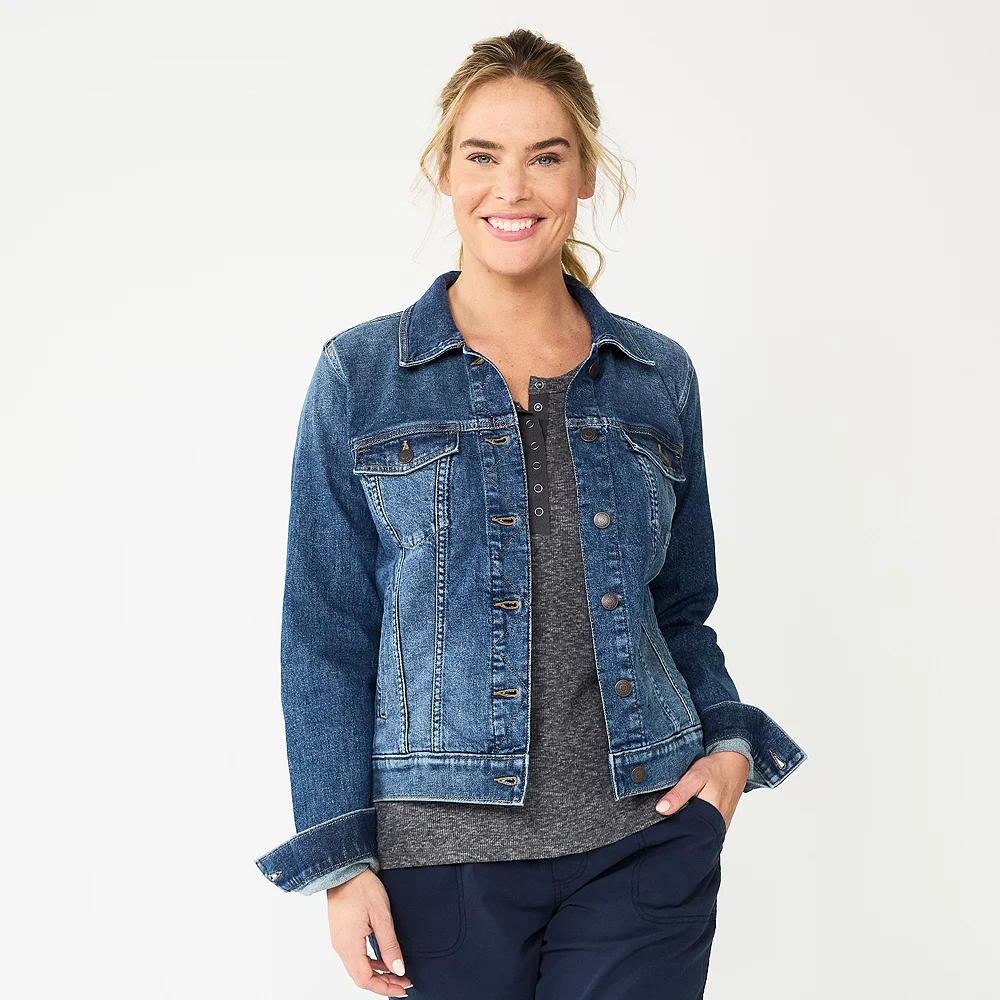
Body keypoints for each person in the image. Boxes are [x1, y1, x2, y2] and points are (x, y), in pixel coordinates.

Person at [254, 26, 807, 999]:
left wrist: (726, 749)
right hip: (443, 860)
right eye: (482, 156)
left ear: (584, 175)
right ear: (443, 171)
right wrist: (341, 860)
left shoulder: (654, 376)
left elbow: (681, 608)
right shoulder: (361, 375)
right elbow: (326, 630)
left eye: (545, 157)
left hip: (646, 837)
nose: (511, 188)